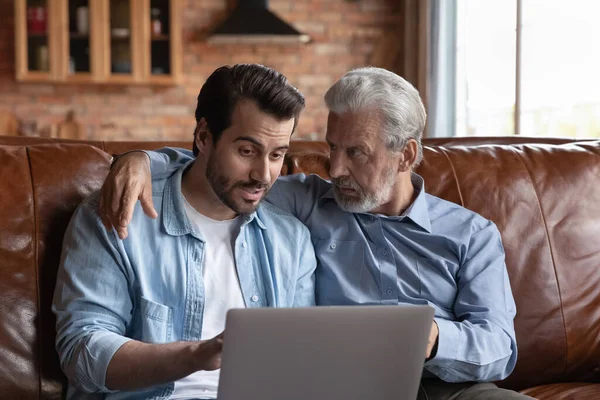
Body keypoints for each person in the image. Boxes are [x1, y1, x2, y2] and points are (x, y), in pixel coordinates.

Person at [100, 67, 533, 399]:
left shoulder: (471, 235)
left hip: (448, 389)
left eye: (356, 153)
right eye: (332, 147)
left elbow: (499, 348)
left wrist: (436, 339)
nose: (336, 168)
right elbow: (222, 172)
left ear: (407, 155)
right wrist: (142, 159)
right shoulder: (306, 200)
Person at [52, 64, 317, 400]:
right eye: (247, 151)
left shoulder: (291, 241)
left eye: (277, 155)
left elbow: (299, 364)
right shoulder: (119, 214)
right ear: (204, 136)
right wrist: (195, 356)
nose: (263, 175)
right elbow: (82, 352)